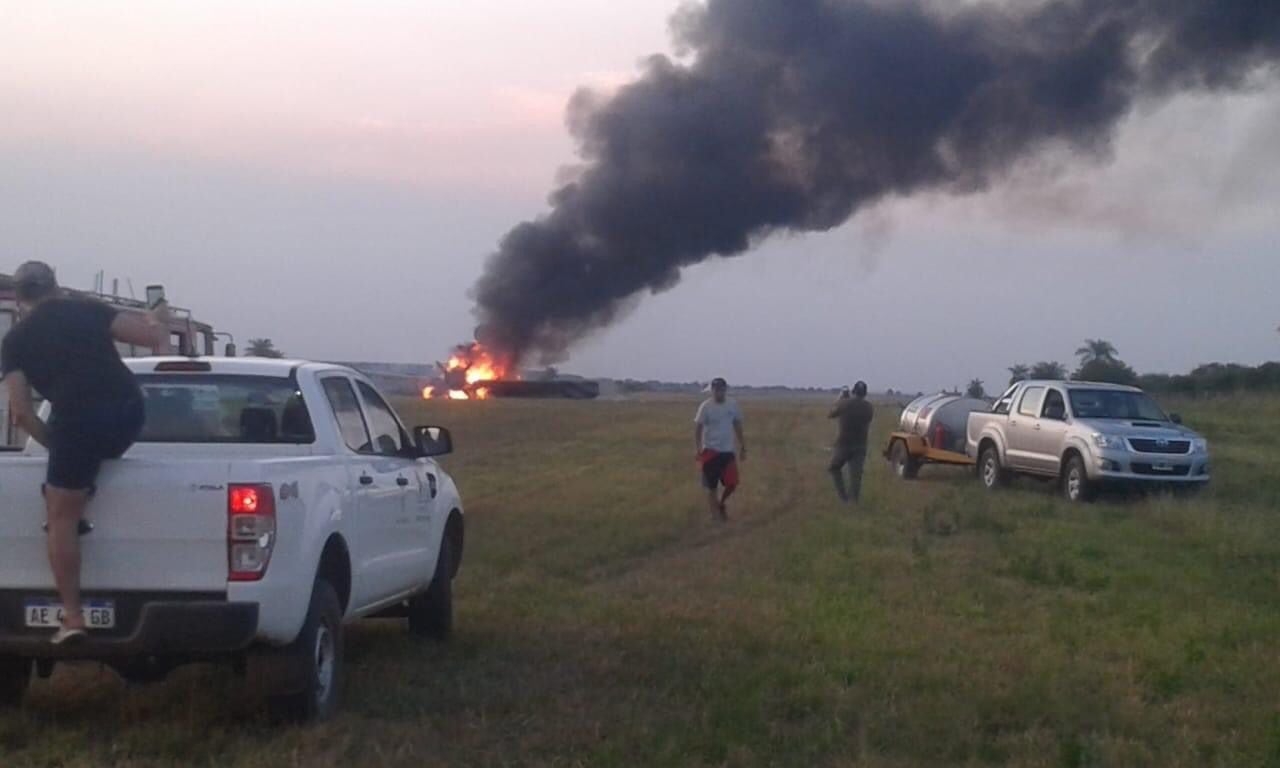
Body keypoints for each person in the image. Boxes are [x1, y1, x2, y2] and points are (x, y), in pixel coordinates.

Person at [1, 261, 170, 644]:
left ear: (18, 296)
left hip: (77, 420)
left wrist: (61, 449)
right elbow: (150, 337)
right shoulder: (86, 308)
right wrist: (159, 317)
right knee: (86, 459)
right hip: (129, 411)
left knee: (61, 513)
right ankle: (85, 467)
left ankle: (73, 617)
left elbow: (23, 414)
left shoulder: (15, 342)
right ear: (56, 285)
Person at [694, 377, 746, 522]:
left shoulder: (733, 405)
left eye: (721, 389)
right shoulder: (705, 406)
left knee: (732, 483)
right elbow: (698, 428)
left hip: (728, 451)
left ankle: (721, 504)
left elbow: (737, 425)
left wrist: (742, 445)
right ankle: (716, 517)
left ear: (725, 390)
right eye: (715, 389)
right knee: (712, 486)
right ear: (712, 390)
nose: (718, 392)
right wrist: (698, 448)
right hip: (710, 451)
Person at [828, 380, 874, 503]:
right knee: (856, 476)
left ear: (853, 391)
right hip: (860, 444)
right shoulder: (869, 407)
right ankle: (854, 501)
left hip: (843, 443)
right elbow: (867, 417)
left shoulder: (844, 403)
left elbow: (831, 414)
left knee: (834, 468)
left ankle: (843, 497)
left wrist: (841, 398)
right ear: (865, 393)